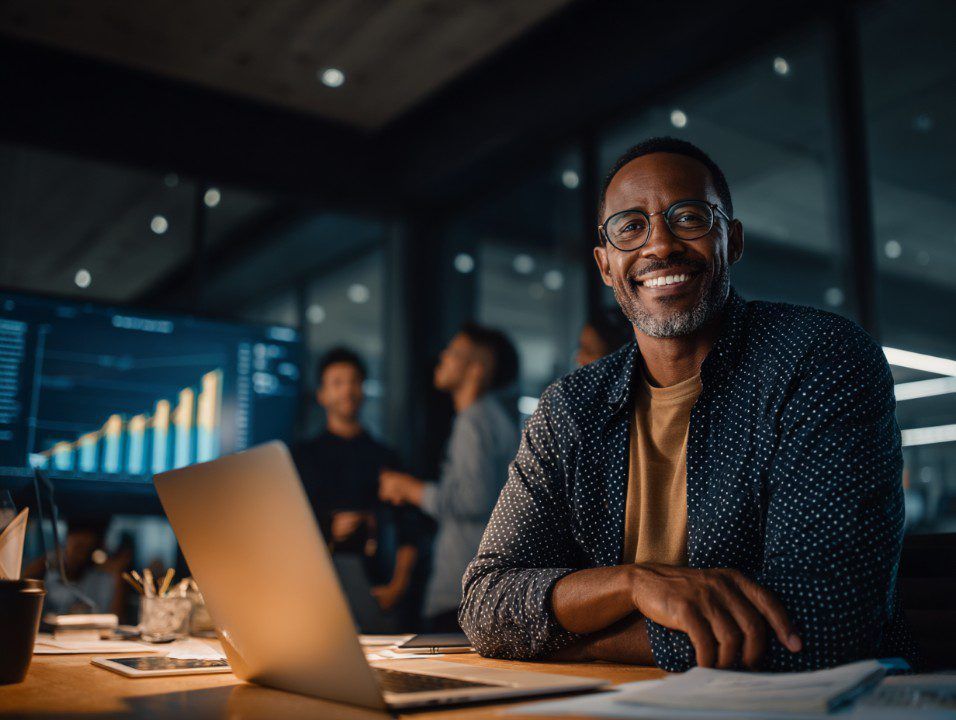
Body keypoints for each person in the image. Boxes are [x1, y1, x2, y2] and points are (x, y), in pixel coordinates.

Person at [460, 137, 918, 672]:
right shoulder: (569, 408)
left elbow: (818, 627)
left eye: (689, 217)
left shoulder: (820, 360)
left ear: (733, 239)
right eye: (631, 226)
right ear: (606, 265)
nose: (659, 245)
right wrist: (634, 583)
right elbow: (487, 600)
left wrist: (570, 637)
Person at [379, 323, 520, 632]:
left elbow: (472, 499)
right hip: (482, 587)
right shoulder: (494, 419)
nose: (443, 357)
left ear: (476, 370)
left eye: (454, 352)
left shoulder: (474, 421)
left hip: (462, 589)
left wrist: (409, 488)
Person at [292, 347, 419, 631]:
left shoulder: (385, 457)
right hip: (315, 586)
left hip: (375, 585)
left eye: (354, 381)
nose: (347, 390)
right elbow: (286, 525)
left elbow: (408, 527)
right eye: (337, 383)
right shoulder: (302, 457)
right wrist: (329, 527)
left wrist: (398, 586)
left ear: (363, 390)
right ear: (322, 395)